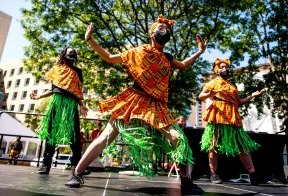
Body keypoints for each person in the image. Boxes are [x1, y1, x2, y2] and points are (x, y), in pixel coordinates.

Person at [74, 15, 208, 194]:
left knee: (179, 139)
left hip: (156, 105)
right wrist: (89, 39)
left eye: (167, 30)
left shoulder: (167, 57)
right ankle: (76, 173)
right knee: (106, 136)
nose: (164, 31)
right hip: (134, 100)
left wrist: (199, 52)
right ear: (152, 33)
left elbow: (183, 65)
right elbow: (109, 57)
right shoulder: (138, 51)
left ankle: (186, 181)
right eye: (161, 28)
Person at [199, 58, 265, 185]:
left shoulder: (232, 86)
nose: (225, 69)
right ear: (217, 70)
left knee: (242, 144)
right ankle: (213, 173)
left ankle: (253, 174)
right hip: (218, 113)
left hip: (232, 114)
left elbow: (238, 102)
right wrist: (210, 93)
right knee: (214, 144)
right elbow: (201, 96)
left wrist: (252, 96)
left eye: (226, 67)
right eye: (222, 67)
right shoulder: (212, 83)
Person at [30, 47, 88, 187]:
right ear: (64, 54)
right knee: (51, 132)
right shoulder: (56, 68)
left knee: (74, 134)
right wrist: (39, 96)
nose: (72, 53)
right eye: (70, 51)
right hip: (56, 101)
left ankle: (76, 166)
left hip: (71, 104)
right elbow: (52, 89)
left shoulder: (78, 71)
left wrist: (81, 105)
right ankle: (46, 165)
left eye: (74, 52)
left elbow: (77, 90)